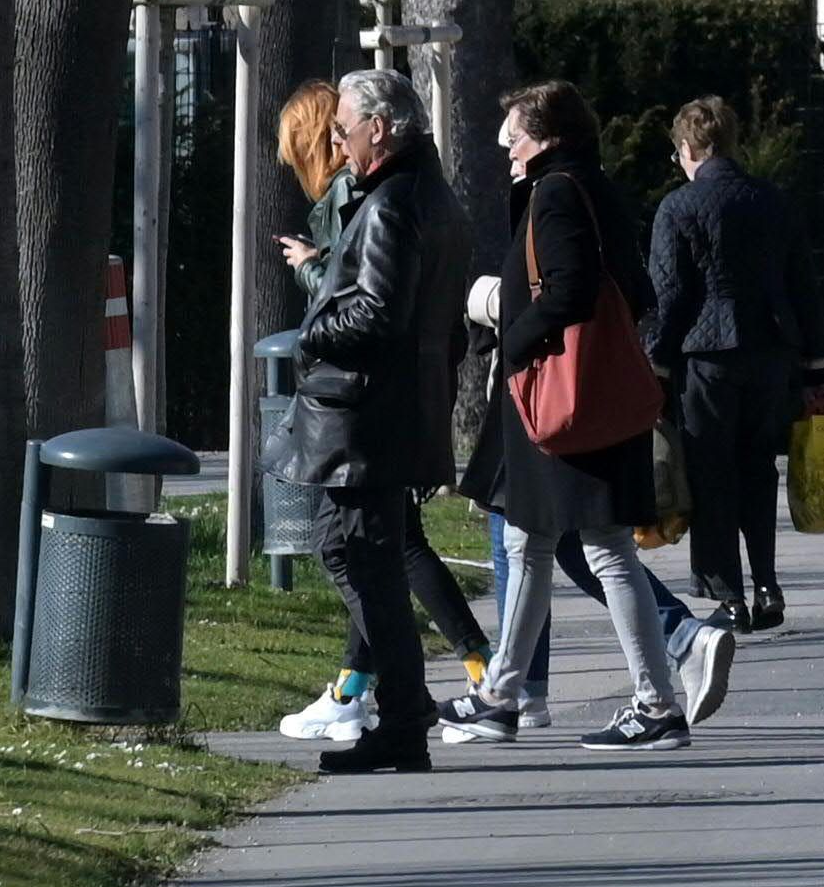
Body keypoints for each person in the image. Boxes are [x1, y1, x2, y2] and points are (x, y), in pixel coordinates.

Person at [475, 78, 736, 750]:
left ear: (548, 138)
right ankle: (505, 693)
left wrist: (512, 338)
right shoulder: (593, 187)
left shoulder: (556, 192)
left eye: (515, 136)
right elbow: (635, 289)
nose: (507, 148)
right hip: (598, 394)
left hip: (565, 399)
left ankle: (648, 702)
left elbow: (569, 290)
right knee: (540, 543)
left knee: (588, 548)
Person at [284, 70, 476, 778]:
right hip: (401, 407)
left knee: (361, 555)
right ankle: (402, 708)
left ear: (381, 128)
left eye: (344, 129)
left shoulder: (392, 202)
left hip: (368, 413)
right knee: (358, 551)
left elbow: (376, 313)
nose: (338, 142)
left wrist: (313, 329)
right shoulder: (431, 194)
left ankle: (401, 716)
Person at [647, 95, 823, 636]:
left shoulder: (678, 207)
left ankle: (727, 596)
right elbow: (803, 287)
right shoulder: (772, 200)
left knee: (711, 473)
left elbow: (669, 296)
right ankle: (767, 583)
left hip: (706, 357)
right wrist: (818, 370)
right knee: (757, 468)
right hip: (770, 352)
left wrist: (655, 365)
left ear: (686, 147)